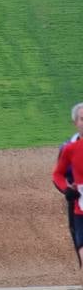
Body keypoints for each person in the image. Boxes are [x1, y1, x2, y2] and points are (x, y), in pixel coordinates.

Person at [54, 102, 83, 265]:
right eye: (82, 119)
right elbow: (57, 175)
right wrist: (67, 190)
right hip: (78, 205)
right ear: (75, 123)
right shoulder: (67, 148)